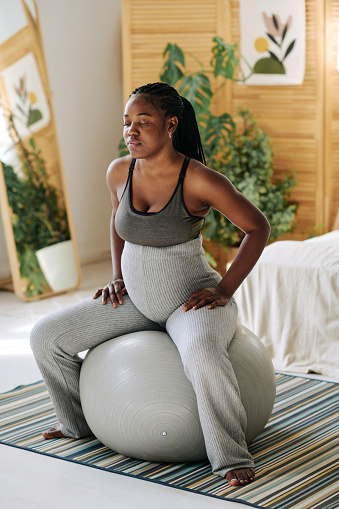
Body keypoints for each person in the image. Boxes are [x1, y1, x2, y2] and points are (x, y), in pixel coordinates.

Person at [30, 82, 270, 487]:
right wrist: (118, 277)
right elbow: (116, 223)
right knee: (45, 336)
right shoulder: (118, 171)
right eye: (127, 123)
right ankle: (78, 425)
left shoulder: (199, 179)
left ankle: (230, 456)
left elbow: (256, 228)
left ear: (171, 124)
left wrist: (224, 290)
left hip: (190, 303)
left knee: (202, 355)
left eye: (143, 122)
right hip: (135, 299)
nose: (131, 131)